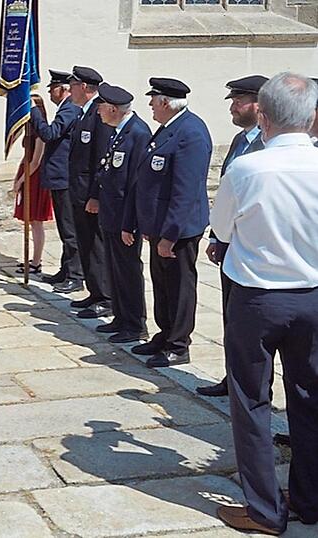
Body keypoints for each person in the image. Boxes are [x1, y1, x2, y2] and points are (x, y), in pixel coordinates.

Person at [210, 72, 318, 536]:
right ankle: (310, 500)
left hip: (257, 298)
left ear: (264, 117)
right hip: (312, 296)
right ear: (313, 118)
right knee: (310, 399)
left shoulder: (247, 168)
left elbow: (224, 230)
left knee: (251, 401)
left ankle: (263, 509)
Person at [125, 78, 213, 368]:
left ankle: (178, 344)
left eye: (153, 100)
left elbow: (185, 190)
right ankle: (164, 334)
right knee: (162, 284)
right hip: (160, 226)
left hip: (178, 230)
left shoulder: (191, 132)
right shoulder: (169, 129)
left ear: (164, 102)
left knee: (179, 287)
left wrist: (170, 235)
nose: (150, 105)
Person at [196, 75, 268, 398]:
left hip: (256, 250)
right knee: (231, 319)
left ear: (258, 104)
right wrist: (216, 237)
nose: (233, 108)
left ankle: (256, 387)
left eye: (239, 101)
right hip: (231, 248)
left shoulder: (267, 144)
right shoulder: (240, 140)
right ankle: (233, 377)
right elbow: (227, 192)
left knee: (255, 329)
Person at [94, 83, 152, 344]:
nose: (98, 112)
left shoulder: (138, 133)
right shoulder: (118, 131)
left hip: (124, 219)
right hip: (111, 214)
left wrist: (130, 223)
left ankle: (135, 324)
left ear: (113, 109)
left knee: (128, 270)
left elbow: (135, 184)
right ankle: (121, 317)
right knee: (114, 268)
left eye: (101, 107)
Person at [66, 66, 113, 318]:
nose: (69, 90)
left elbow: (100, 159)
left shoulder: (99, 112)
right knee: (86, 243)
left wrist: (95, 194)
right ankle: (94, 292)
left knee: (96, 245)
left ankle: (105, 297)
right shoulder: (84, 113)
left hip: (90, 196)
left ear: (84, 87)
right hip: (79, 192)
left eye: (72, 86)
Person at [31, 69, 83, 288]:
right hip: (59, 177)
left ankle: (75, 276)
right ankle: (65, 270)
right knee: (64, 228)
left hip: (65, 178)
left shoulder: (69, 109)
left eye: (52, 89)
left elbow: (50, 133)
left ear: (63, 90)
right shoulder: (66, 108)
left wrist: (34, 113)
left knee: (70, 231)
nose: (50, 93)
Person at [12, 95, 53, 274]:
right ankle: (33, 259)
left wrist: (22, 180)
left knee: (36, 221)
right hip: (27, 172)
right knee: (30, 221)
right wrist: (17, 176)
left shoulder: (42, 133)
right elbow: (25, 156)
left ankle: (36, 261)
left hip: (35, 178)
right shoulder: (30, 131)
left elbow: (36, 161)